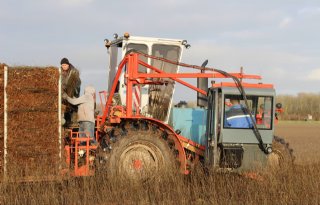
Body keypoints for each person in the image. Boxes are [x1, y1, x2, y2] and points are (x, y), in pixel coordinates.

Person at [60, 57, 81, 126]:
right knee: (65, 106)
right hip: (63, 92)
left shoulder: (74, 72)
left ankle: (74, 121)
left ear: (68, 65)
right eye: (62, 65)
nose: (64, 67)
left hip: (73, 91)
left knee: (74, 105)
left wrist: (75, 92)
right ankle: (67, 122)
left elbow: (78, 82)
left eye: (65, 65)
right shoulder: (59, 72)